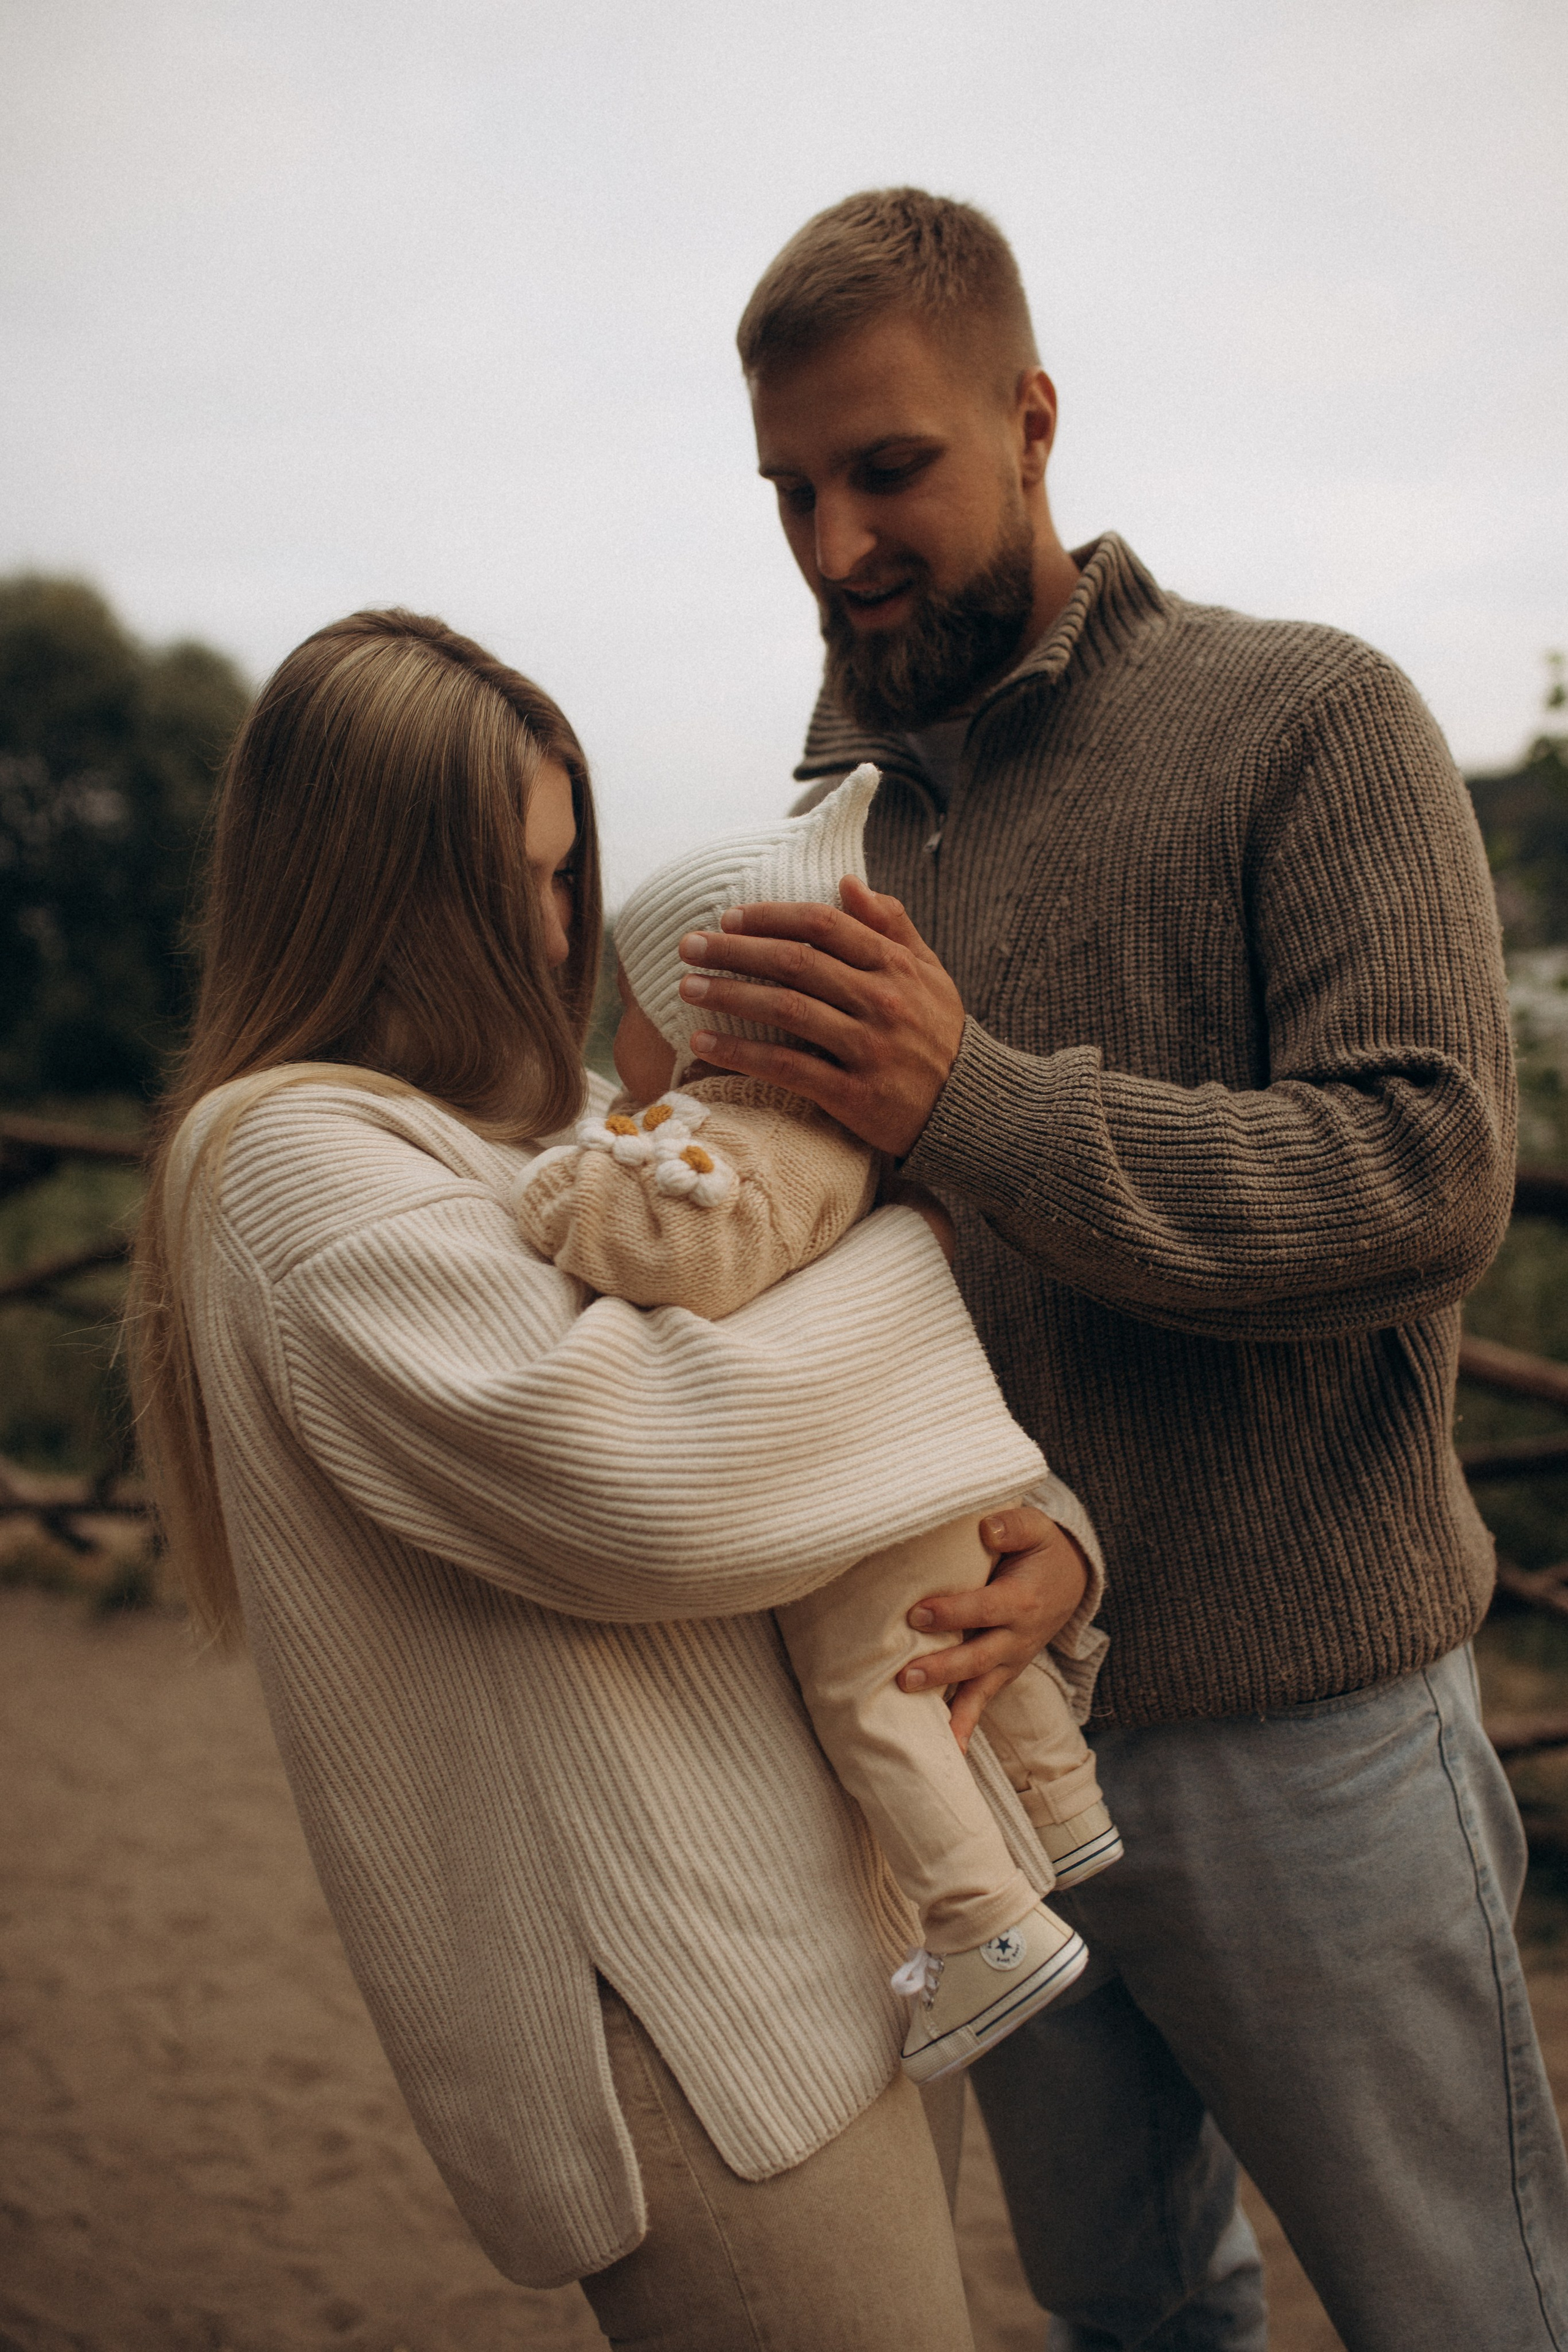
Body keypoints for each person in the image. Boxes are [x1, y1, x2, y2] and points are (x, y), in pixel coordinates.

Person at [668, 186, 1568, 2350]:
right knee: (1129, 2319)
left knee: (1464, 2308)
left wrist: (965, 1099)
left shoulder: (1308, 718)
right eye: (792, 490)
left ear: (1035, 418)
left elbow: (1428, 1174)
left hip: (1312, 1731)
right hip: (977, 1744)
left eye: (890, 469)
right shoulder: (817, 848)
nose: (836, 543)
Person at [127, 604, 1101, 2352]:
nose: (553, 927)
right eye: (501, 880)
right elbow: (643, 1474)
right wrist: (920, 1226)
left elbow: (818, 1414)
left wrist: (1055, 1553)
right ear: (359, 887)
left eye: (568, 873)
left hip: (844, 1925)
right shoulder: (283, 1159)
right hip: (675, 2000)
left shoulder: (561, 1126)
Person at [514, 759, 1121, 2082]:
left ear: (698, 1029)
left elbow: (694, 1258)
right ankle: (1064, 1814)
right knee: (968, 1682)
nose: (613, 1043)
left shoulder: (750, 1147)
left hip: (869, 1498)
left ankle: (983, 1926)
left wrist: (561, 1195)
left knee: (876, 1695)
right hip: (933, 1459)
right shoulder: (835, 1134)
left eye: (627, 1011)